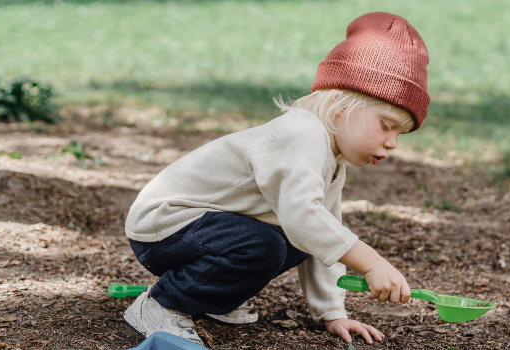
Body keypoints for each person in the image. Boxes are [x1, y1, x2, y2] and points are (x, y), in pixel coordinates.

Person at [122, 11, 430, 346]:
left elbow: (322, 234)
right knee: (266, 245)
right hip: (164, 224)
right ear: (340, 106)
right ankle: (162, 304)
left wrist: (332, 313)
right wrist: (372, 263)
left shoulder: (332, 158)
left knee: (300, 239)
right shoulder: (302, 135)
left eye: (401, 134)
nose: (392, 142)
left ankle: (211, 300)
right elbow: (304, 219)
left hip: (205, 228)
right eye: (386, 125)